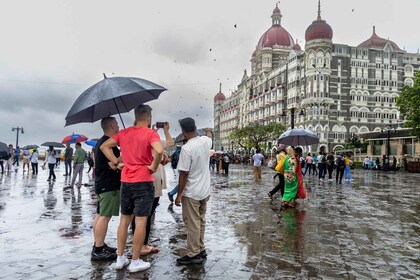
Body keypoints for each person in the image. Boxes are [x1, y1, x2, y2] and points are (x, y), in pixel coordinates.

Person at [101, 104, 163, 273]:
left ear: (136, 116)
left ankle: (121, 258)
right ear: (148, 118)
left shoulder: (124, 133)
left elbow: (104, 147)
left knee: (124, 220)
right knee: (141, 221)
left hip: (126, 181)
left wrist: (116, 162)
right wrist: (153, 166)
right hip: (143, 182)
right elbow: (159, 150)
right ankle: (135, 261)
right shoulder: (151, 133)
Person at [174, 117, 212, 265]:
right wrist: (208, 131)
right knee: (201, 220)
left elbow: (183, 174)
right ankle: (201, 248)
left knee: (192, 222)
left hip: (192, 192)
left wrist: (178, 195)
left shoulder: (187, 148)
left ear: (183, 132)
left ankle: (193, 253)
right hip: (205, 190)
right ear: (195, 127)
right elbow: (209, 136)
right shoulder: (205, 141)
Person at [91, 117, 120, 261]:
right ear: (112, 126)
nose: (119, 126)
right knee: (105, 216)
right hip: (109, 184)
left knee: (99, 214)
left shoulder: (100, 142)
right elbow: (114, 164)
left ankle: (98, 244)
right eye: (117, 124)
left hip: (101, 183)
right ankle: (98, 250)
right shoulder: (108, 144)